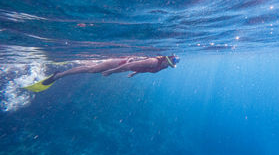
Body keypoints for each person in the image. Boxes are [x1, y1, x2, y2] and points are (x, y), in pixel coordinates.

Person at [23, 55, 180, 92]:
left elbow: (141, 70)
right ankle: (58, 75)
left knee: (92, 67)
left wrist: (134, 75)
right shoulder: (154, 61)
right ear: (166, 59)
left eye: (171, 66)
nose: (169, 66)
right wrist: (111, 71)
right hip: (118, 64)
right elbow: (133, 64)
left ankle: (71, 63)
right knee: (91, 70)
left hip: (122, 67)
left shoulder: (160, 67)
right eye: (169, 63)